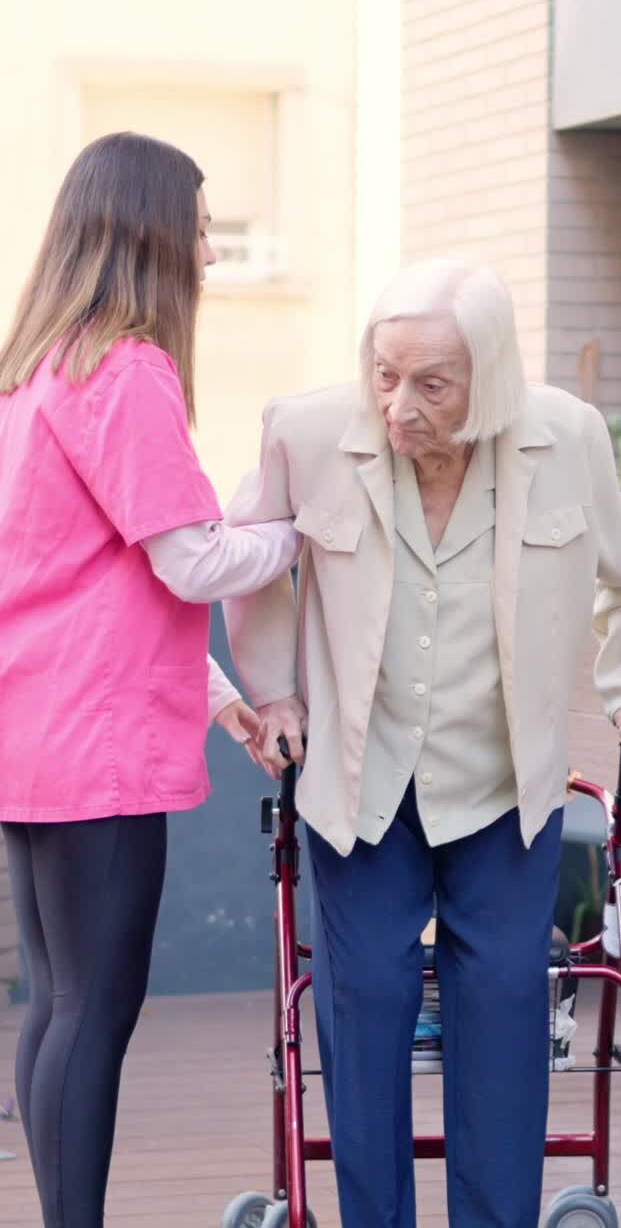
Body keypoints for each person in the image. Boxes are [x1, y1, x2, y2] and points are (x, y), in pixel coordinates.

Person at [223, 259, 621, 1228]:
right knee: (366, 1005)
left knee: (507, 1011)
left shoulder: (567, 437)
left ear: (494, 376)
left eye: (432, 382)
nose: (399, 404)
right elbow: (252, 563)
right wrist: (277, 693)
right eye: (385, 374)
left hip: (506, 782)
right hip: (360, 779)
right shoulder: (304, 430)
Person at [0, 131, 300, 1228]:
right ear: (152, 232)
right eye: (204, 228)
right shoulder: (124, 370)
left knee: (56, 1005)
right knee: (95, 1010)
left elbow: (106, 575)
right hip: (100, 746)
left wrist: (222, 700)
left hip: (33, 732)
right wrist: (302, 532)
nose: (212, 255)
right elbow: (193, 557)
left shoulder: (32, 372)